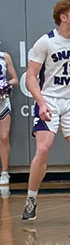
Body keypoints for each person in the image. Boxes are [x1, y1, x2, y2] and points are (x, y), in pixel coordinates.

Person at [22, 0, 70, 222]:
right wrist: (42, 103)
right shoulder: (45, 42)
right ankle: (31, 198)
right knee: (44, 149)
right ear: (63, 17)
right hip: (51, 100)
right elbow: (30, 77)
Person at [0, 47, 19, 186]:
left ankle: (5, 172)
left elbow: (15, 79)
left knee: (4, 137)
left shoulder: (4, 56)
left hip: (2, 101)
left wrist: (4, 85)